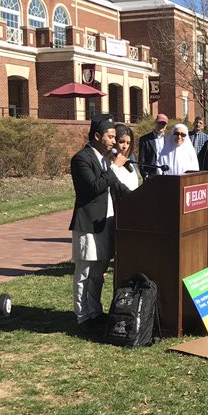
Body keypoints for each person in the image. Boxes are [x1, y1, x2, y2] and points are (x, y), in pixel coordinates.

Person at [69, 116, 130, 333]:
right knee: (84, 272)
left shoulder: (105, 160)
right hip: (88, 224)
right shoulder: (81, 159)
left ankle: (95, 312)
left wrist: (139, 198)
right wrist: (113, 167)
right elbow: (93, 188)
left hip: (107, 223)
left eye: (115, 137)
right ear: (97, 136)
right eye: (110, 136)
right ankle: (82, 316)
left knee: (99, 273)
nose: (114, 141)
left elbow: (116, 188)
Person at [138, 113, 170, 178]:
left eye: (163, 124)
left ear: (166, 125)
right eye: (159, 123)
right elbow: (141, 159)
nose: (161, 125)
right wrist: (144, 174)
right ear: (155, 123)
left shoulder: (169, 139)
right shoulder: (145, 139)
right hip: (150, 174)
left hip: (166, 173)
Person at [110, 124, 140, 192]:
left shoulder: (130, 164)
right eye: (121, 142)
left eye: (128, 143)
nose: (125, 146)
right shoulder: (108, 164)